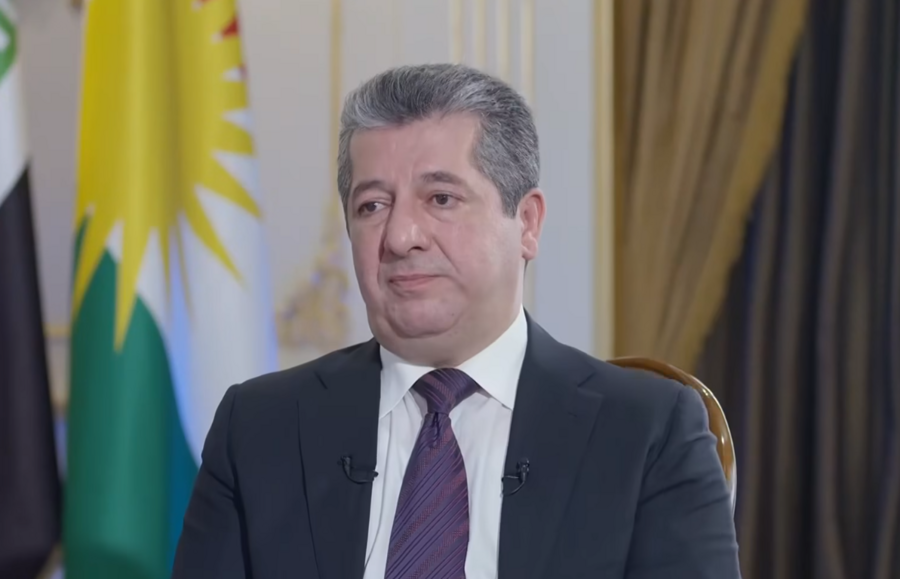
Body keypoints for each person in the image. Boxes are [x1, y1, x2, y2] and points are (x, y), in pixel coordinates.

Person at [171, 63, 741, 579]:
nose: (400, 237)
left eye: (441, 198)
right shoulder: (260, 428)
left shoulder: (647, 430)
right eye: (372, 206)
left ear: (527, 223)